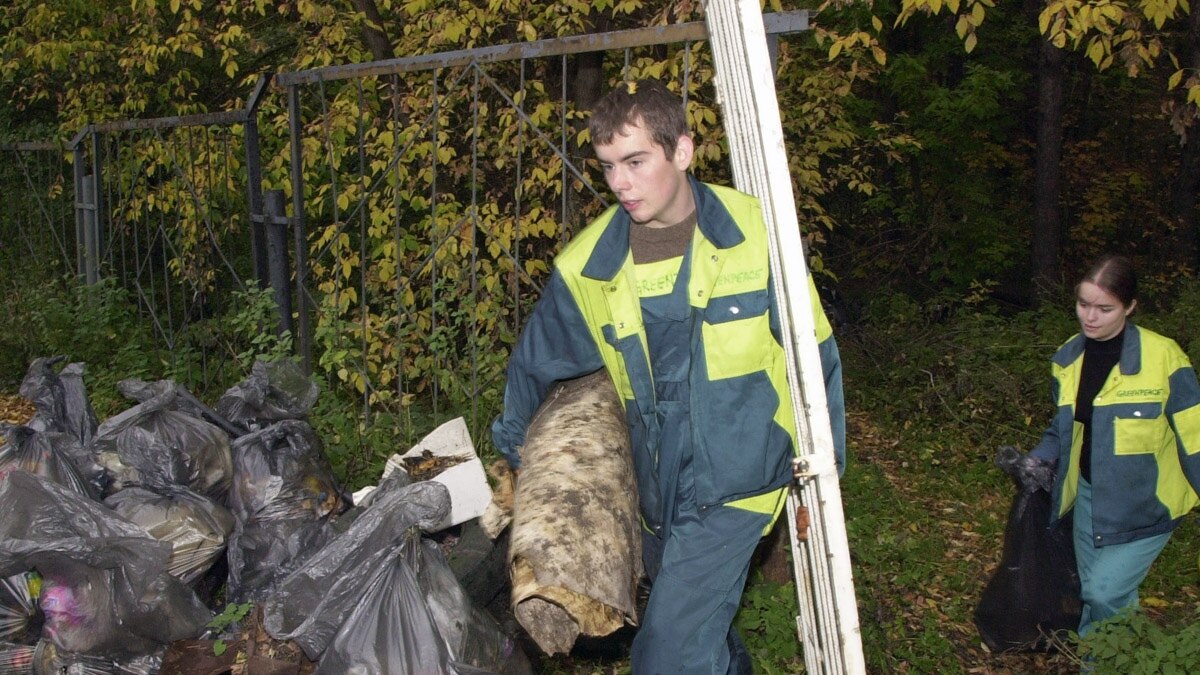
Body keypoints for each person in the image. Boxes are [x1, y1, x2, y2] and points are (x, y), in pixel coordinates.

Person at [490, 79, 846, 673]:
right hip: (654, 483)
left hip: (741, 478)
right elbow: (535, 366)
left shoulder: (757, 232)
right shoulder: (588, 267)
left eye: (635, 162)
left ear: (681, 151)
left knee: (667, 653)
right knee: (697, 625)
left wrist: (825, 472)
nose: (620, 184)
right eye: (607, 167)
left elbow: (815, 354)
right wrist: (514, 463)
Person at [1021, 254, 1200, 636]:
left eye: (1105, 308)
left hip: (1147, 506)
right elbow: (1064, 426)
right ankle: (1104, 663)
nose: (1090, 317)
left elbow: (1195, 436)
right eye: (1083, 304)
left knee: (1104, 594)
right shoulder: (1068, 356)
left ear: (1130, 307)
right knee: (1095, 597)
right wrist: (1038, 458)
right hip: (1089, 499)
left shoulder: (1165, 358)